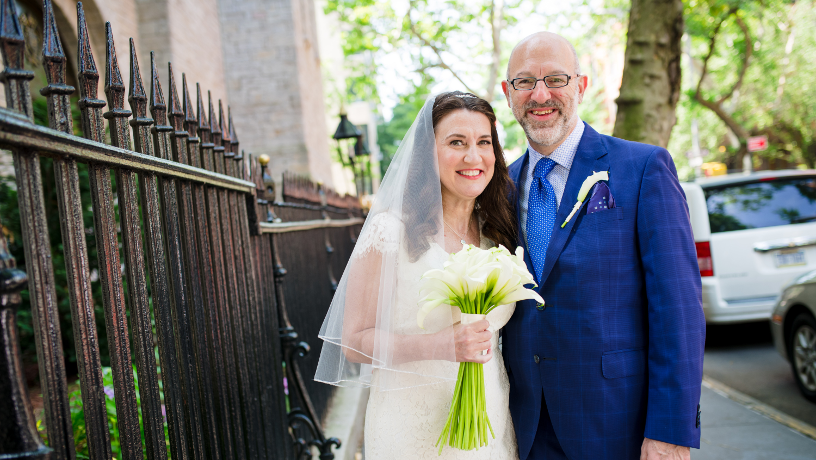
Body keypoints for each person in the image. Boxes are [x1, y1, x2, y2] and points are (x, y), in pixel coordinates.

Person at [501, 31, 706, 460]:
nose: (540, 94)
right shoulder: (498, 188)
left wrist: (670, 431)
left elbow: (678, 311)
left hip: (618, 425)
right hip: (524, 429)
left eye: (555, 79)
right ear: (507, 92)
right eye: (524, 82)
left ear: (581, 85)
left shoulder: (643, 167)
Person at [315, 91, 520, 459]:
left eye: (483, 142)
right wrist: (441, 345)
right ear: (428, 152)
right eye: (456, 142)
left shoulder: (498, 234)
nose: (473, 156)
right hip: (411, 428)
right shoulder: (389, 232)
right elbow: (353, 341)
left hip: (489, 423)